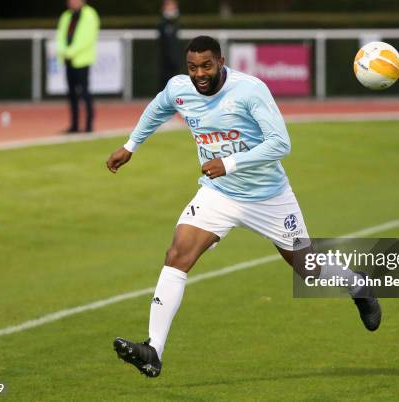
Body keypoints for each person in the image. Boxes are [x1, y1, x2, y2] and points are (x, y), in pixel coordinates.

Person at [106, 36, 381, 378]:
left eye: (206, 66)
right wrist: (131, 145)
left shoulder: (249, 90)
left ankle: (358, 285)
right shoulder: (180, 88)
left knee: (308, 269)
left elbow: (281, 143)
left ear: (221, 61)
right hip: (218, 194)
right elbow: (160, 107)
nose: (200, 74)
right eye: (193, 67)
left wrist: (230, 162)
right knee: (177, 255)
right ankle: (153, 350)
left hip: (269, 197)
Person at [55, 0, 99, 133]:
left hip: (82, 61)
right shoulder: (66, 16)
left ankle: (89, 125)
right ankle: (74, 125)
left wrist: (70, 52)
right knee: (72, 94)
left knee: (85, 92)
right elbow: (60, 36)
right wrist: (63, 51)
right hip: (68, 61)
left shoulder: (90, 14)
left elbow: (87, 38)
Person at [158, 0, 181, 90]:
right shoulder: (162, 25)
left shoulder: (178, 24)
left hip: (177, 62)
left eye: (173, 6)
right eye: (169, 6)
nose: (171, 9)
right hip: (166, 64)